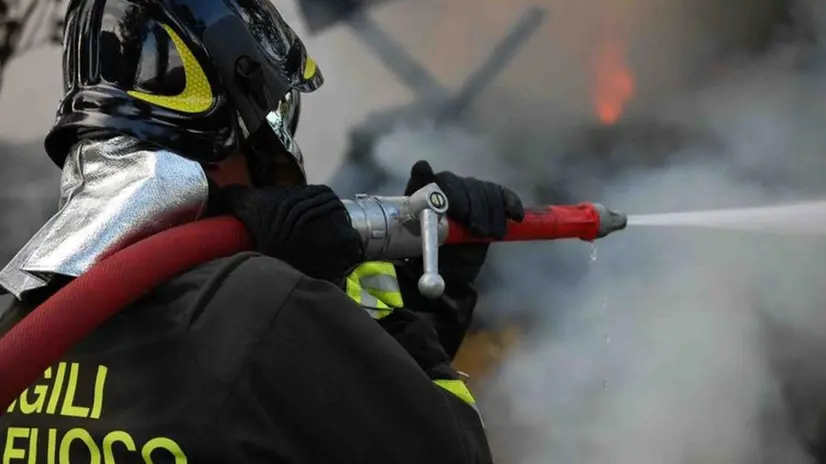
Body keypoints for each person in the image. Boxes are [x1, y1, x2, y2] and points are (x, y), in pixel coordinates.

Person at [0, 0, 524, 462]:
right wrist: (337, 292)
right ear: (233, 130)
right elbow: (451, 449)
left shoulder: (24, 320)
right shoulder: (266, 309)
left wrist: (413, 310)